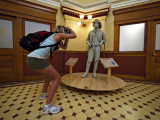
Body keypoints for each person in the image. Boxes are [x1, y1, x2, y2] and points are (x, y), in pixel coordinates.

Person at [26, 25, 77, 114]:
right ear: (62, 31)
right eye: (65, 32)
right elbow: (74, 35)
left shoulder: (55, 39)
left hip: (31, 58)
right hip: (36, 59)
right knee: (57, 78)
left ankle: (43, 93)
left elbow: (65, 47)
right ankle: (47, 107)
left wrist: (67, 38)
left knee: (50, 75)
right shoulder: (58, 35)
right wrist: (69, 29)